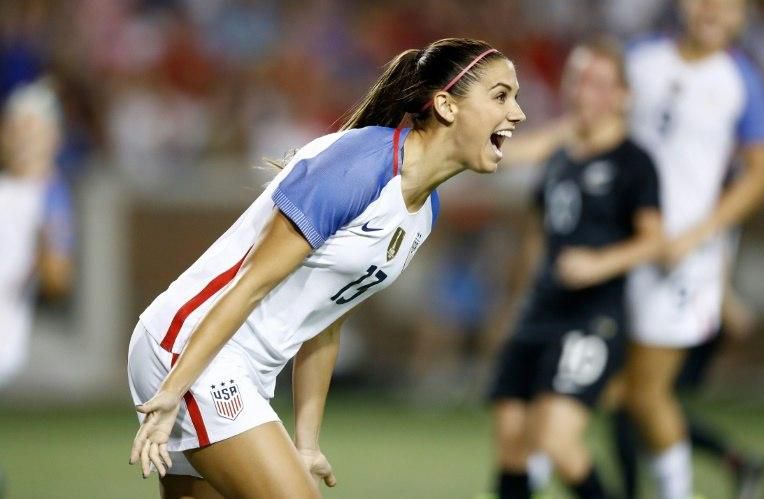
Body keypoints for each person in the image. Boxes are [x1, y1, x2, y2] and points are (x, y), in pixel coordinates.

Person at [127, 37, 526, 499]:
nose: (517, 113)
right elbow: (250, 283)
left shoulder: (423, 210)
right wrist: (175, 389)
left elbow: (329, 316)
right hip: (193, 347)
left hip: (239, 366)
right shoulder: (358, 166)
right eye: (500, 96)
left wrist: (307, 443)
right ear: (446, 105)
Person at [489, 37, 663, 499]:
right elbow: (536, 232)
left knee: (555, 439)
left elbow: (654, 240)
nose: (584, 91)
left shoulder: (634, 162)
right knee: (511, 440)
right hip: (540, 309)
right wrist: (515, 303)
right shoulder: (559, 156)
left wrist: (599, 263)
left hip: (592, 317)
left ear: (622, 96)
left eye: (598, 83)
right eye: (578, 80)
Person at [621, 0, 764, 497]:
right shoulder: (639, 58)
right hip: (618, 246)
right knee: (613, 391)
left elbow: (759, 174)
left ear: (742, 16)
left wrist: (697, 237)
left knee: (642, 392)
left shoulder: (739, 80)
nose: (712, 10)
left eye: (727, 4)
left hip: (679, 257)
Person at [0, 78, 74, 389]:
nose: (23, 141)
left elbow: (58, 278)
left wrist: (44, 243)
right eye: (17, 130)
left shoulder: (51, 198)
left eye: (34, 132)